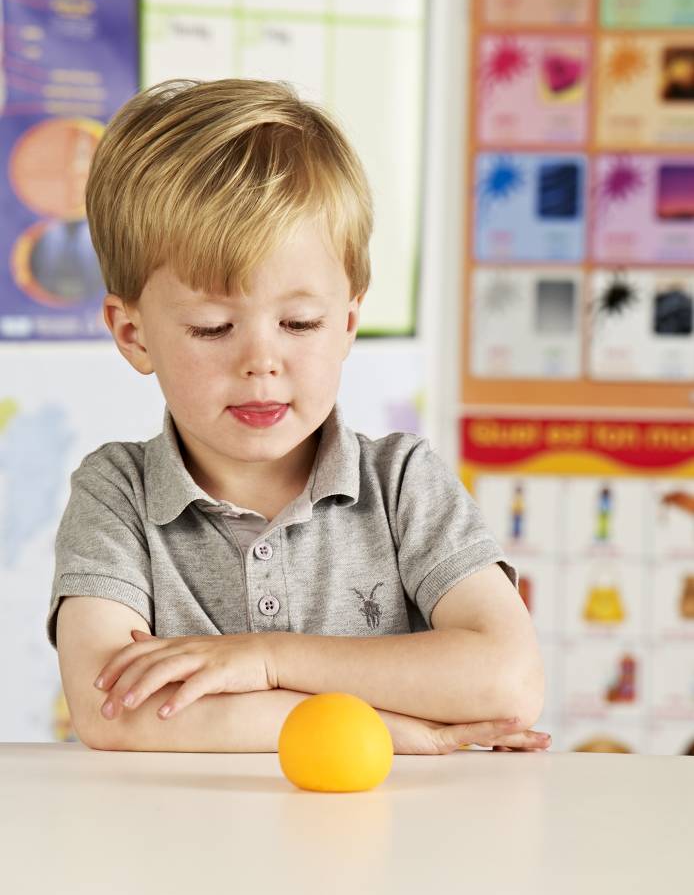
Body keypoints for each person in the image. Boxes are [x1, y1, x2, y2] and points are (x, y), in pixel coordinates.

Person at [47, 78, 548, 756]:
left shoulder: (403, 483)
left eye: (299, 322)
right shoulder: (117, 494)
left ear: (346, 322)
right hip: (180, 854)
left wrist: (267, 660)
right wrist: (392, 728)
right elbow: (115, 713)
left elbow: (509, 682)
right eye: (212, 327)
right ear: (134, 334)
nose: (262, 361)